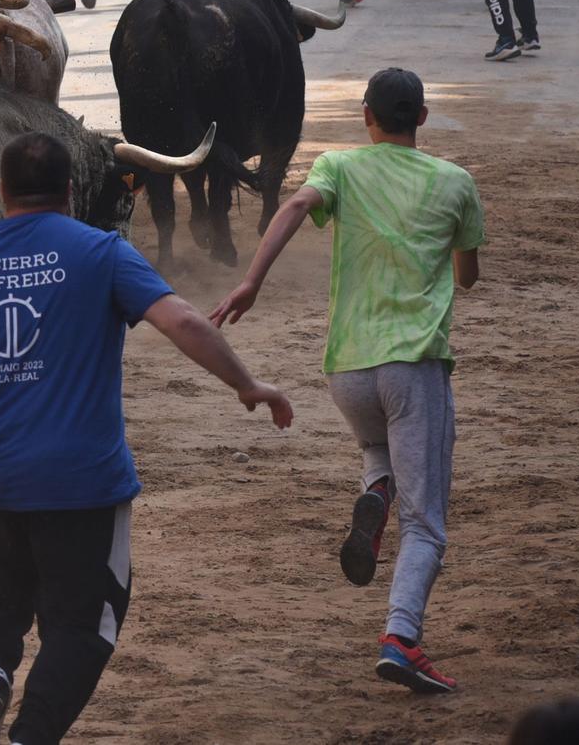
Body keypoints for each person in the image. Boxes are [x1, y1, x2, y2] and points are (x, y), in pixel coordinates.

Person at [0, 129, 290, 745]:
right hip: (79, 479)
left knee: (6, 564)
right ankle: (31, 735)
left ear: (0, 191)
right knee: (85, 622)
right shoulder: (101, 251)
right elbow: (180, 319)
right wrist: (245, 383)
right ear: (71, 191)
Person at [217, 67, 482, 693]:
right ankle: (401, 637)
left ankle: (374, 494)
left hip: (347, 369)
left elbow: (296, 204)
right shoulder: (455, 182)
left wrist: (253, 281)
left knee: (376, 448)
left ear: (367, 117)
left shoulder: (338, 166)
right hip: (413, 365)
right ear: (421, 118)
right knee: (426, 523)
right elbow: (468, 276)